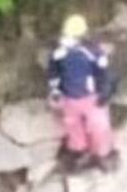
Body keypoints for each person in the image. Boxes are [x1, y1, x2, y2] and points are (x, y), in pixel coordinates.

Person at [47, 14, 116, 172]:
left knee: (99, 126)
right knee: (72, 126)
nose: (67, 39)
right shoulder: (58, 54)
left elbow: (103, 73)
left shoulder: (93, 53)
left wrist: (104, 92)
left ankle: (103, 154)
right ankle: (79, 151)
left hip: (91, 98)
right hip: (69, 98)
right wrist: (55, 91)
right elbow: (54, 73)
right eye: (66, 35)